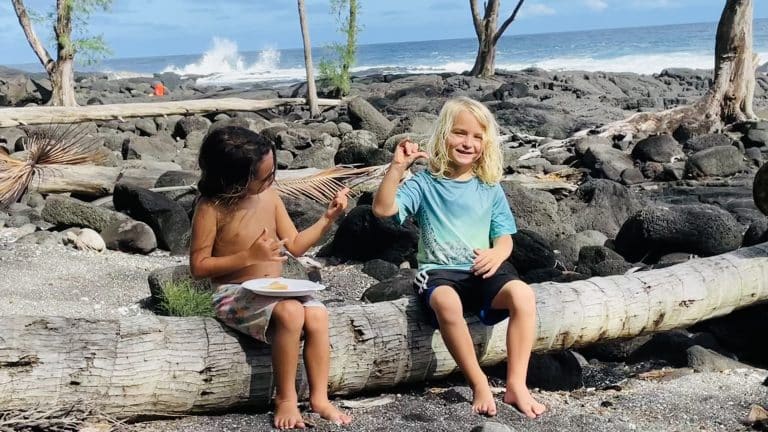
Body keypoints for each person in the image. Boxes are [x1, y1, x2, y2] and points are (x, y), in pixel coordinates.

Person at [372, 97, 546, 419]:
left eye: (477, 137)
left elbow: (505, 237)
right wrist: (397, 168)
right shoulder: (424, 184)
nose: (468, 143)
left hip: (483, 270)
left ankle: (516, 384)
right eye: (460, 133)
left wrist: (498, 254)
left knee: (523, 294)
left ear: (486, 143)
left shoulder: (489, 187)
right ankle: (478, 382)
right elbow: (383, 210)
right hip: (439, 274)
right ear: (443, 136)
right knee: (448, 303)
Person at [189, 126, 352, 429]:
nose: (272, 180)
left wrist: (326, 219)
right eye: (264, 177)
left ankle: (319, 398)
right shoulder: (211, 207)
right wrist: (247, 258)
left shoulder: (271, 197)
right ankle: (286, 398)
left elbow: (295, 245)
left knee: (317, 315)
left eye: (273, 172)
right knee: (291, 312)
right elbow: (198, 266)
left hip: (274, 292)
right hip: (232, 293)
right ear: (235, 180)